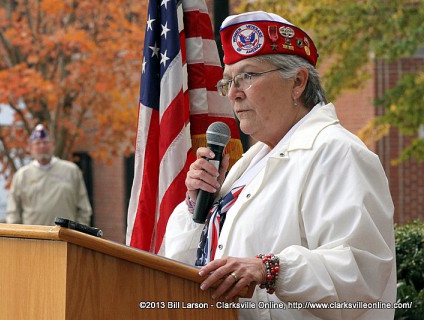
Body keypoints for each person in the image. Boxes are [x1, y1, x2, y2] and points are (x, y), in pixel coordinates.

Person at [163, 11, 396, 319]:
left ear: (297, 82)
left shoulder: (338, 152)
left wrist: (271, 269)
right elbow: (186, 265)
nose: (233, 93)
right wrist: (198, 206)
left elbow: (362, 273)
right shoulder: (249, 164)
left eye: (247, 76)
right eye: (228, 80)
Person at [6, 124, 92, 226]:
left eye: (45, 142)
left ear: (53, 145)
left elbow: (84, 209)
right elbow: (13, 213)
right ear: (30, 148)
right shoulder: (22, 176)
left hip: (65, 238)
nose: (42, 146)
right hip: (34, 238)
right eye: (37, 143)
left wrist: (78, 235)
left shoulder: (71, 171)